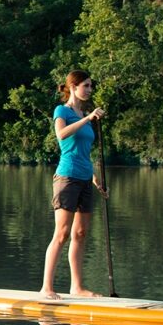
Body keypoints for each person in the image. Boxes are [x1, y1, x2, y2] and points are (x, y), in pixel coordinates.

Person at [40, 70, 106, 299]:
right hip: (67, 178)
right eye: (86, 86)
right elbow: (61, 135)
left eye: (90, 86)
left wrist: (96, 178)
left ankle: (76, 287)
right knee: (62, 233)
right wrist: (87, 119)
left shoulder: (83, 114)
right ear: (74, 87)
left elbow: (85, 151)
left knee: (80, 232)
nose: (89, 90)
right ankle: (47, 288)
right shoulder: (63, 111)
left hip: (85, 178)